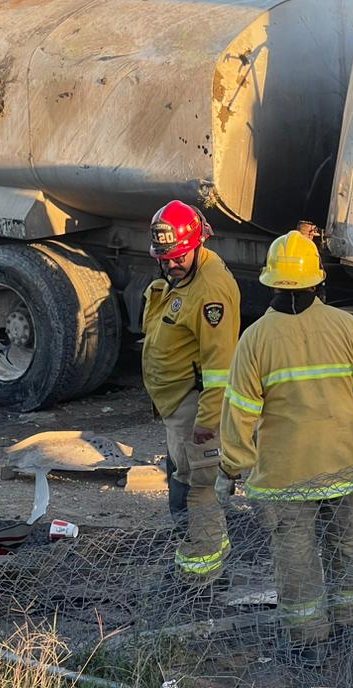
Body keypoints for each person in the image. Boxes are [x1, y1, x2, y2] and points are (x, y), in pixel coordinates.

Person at [218, 231, 353, 664]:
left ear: (271, 282)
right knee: (350, 546)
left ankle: (307, 640)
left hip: (283, 478)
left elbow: (239, 415)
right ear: (318, 282)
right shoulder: (345, 328)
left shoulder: (255, 340)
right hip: (342, 468)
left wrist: (231, 468)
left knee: (295, 560)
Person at [142, 200, 240, 584]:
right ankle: (195, 553)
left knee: (200, 488)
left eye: (178, 257)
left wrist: (208, 421)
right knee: (182, 480)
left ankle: (201, 575)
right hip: (177, 404)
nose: (170, 264)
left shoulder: (211, 289)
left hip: (194, 407)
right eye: (164, 258)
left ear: (198, 244)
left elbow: (220, 367)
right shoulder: (181, 279)